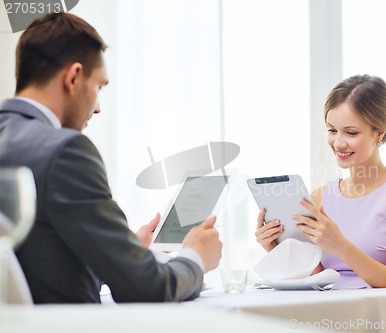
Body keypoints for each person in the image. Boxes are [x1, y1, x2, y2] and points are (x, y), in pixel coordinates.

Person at [0, 12, 222, 303]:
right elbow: (146, 288)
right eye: (99, 87)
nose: (98, 108)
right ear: (74, 77)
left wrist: (121, 251)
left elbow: (36, 264)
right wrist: (195, 258)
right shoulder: (66, 151)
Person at [255, 74, 386, 288]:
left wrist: (339, 245)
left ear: (378, 133)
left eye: (351, 132)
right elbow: (320, 278)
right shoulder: (320, 197)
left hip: (375, 315)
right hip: (327, 310)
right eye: (332, 130)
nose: (338, 143)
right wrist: (276, 248)